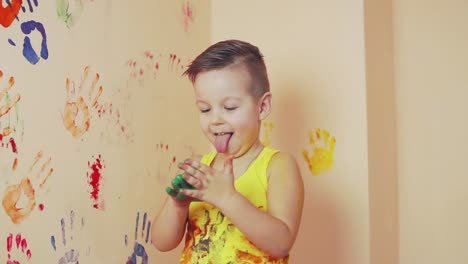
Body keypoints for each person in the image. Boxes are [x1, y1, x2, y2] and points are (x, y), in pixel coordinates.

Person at [151, 39, 304, 263]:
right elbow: (161, 242)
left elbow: (281, 243)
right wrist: (177, 204)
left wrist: (226, 197)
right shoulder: (201, 169)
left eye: (230, 107)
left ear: (262, 107)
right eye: (205, 109)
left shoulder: (278, 166)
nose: (215, 120)